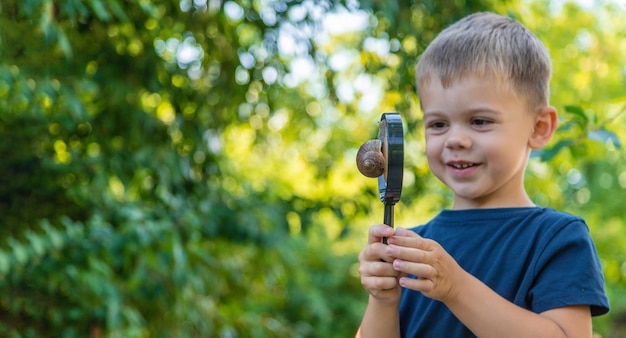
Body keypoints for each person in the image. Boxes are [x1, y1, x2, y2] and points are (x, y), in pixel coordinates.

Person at [356, 12, 610, 338]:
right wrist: (383, 300)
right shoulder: (415, 249)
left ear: (539, 127)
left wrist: (456, 288)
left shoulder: (557, 238)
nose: (455, 139)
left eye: (479, 121)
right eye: (438, 124)